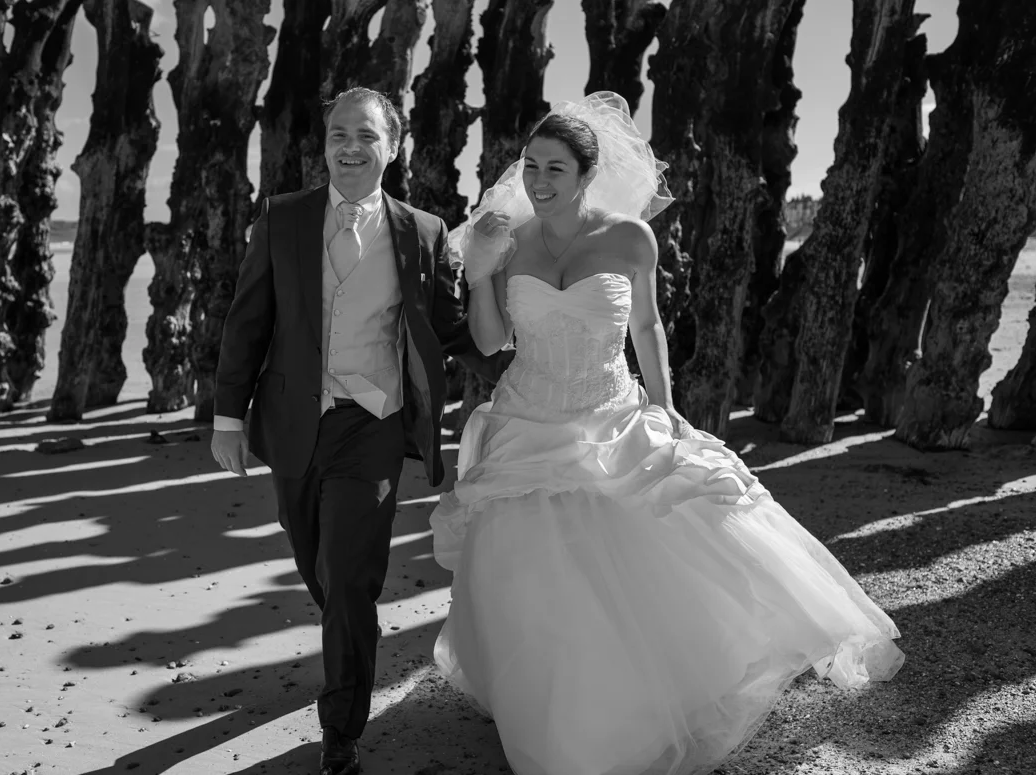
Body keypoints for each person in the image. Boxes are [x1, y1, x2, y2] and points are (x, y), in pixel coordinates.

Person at [430, 92, 905, 775]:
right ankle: (545, 699)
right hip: (526, 418)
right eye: (530, 165)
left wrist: (665, 405)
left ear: (586, 174)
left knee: (639, 548)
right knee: (526, 568)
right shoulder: (508, 239)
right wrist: (477, 276)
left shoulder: (630, 237)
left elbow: (647, 327)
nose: (536, 179)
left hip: (606, 409)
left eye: (554, 168)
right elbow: (487, 339)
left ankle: (625, 703)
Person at [211, 87, 503, 775]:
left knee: (349, 578)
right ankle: (341, 636)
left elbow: (446, 327)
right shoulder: (282, 218)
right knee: (316, 564)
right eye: (339, 133)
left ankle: (340, 729)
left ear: (391, 146)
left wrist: (523, 353)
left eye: (366, 136)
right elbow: (247, 320)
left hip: (372, 424)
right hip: (292, 419)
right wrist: (227, 416)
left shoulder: (422, 231)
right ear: (325, 144)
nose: (350, 146)